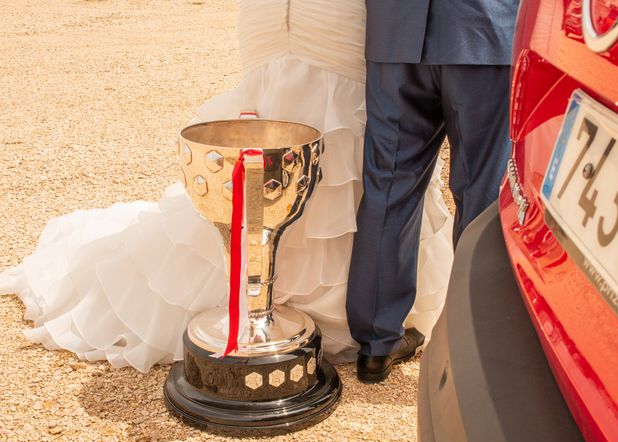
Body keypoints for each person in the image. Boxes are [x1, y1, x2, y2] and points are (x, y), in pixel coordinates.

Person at [0, 0, 454, 373]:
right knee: (303, 126)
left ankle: (276, 299)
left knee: (303, 117)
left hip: (300, 20)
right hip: (318, 18)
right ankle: (313, 307)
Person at [348, 0, 519, 382]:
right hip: (483, 30)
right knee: (481, 194)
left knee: (388, 185)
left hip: (396, 34)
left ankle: (376, 344)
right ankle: (473, 343)